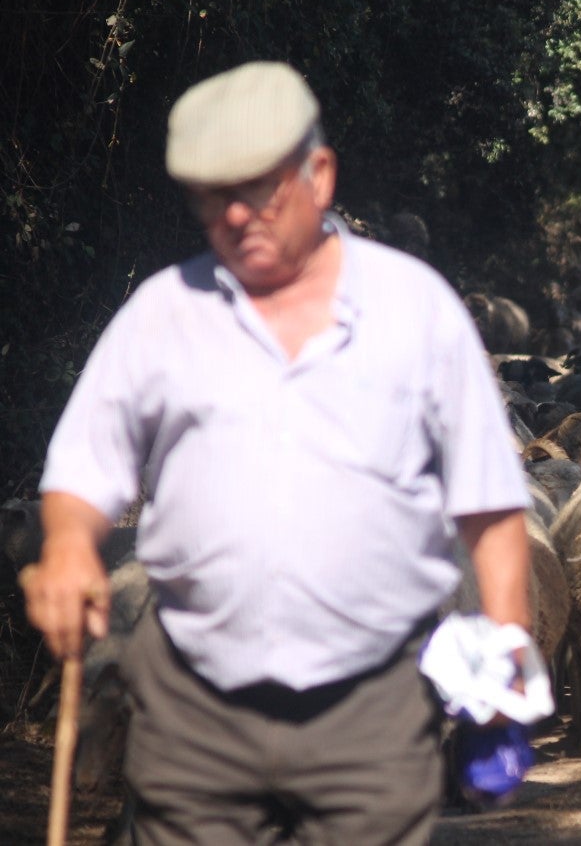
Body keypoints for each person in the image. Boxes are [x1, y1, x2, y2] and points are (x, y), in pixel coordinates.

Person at [20, 61, 532, 844]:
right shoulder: (164, 314)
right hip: (195, 708)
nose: (234, 216)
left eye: (256, 189)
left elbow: (489, 506)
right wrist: (65, 546)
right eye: (209, 196)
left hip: (373, 707)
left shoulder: (417, 312)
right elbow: (85, 463)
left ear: (318, 175)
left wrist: (506, 660)